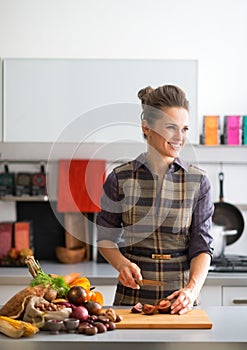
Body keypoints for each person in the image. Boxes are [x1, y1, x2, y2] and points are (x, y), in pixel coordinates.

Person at [96, 84, 214, 315]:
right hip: (131, 299)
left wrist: (192, 290)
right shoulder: (120, 178)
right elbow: (105, 238)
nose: (180, 137)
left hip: (180, 300)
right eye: (171, 127)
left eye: (185, 128)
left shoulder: (198, 182)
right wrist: (121, 264)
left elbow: (202, 246)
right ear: (146, 127)